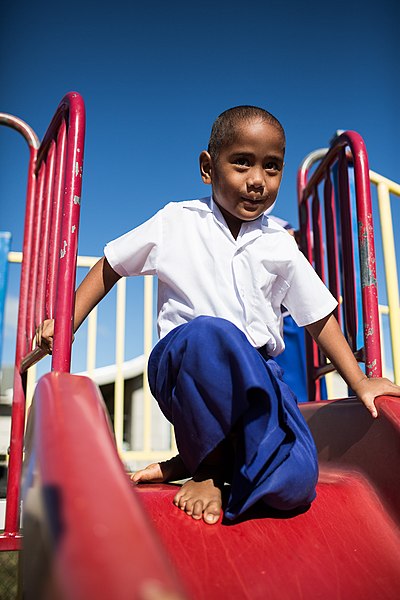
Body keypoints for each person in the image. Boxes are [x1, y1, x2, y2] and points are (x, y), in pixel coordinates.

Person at [37, 105, 400, 526]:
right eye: (242, 162)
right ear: (208, 168)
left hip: (257, 374)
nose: (257, 181)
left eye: (272, 167)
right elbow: (112, 265)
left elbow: (316, 315)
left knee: (295, 485)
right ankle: (207, 467)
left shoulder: (279, 244)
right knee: (214, 334)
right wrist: (66, 324)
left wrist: (359, 380)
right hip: (187, 360)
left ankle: (190, 460)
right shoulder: (176, 221)